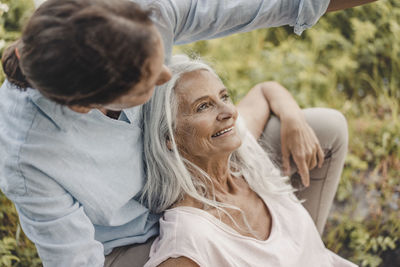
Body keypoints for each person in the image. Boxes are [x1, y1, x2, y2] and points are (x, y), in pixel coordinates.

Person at [0, 0, 376, 266]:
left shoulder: (140, 11)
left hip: (185, 163)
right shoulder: (27, 154)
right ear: (87, 105)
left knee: (324, 129)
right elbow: (76, 261)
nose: (168, 75)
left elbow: (267, 2)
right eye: (148, 80)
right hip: (131, 240)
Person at [140, 55, 355, 267]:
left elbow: (264, 90)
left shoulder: (244, 149)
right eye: (203, 106)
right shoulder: (189, 241)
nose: (229, 112)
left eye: (224, 97)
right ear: (171, 137)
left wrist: (292, 116)